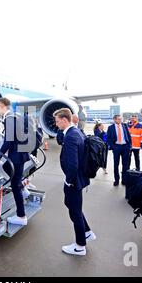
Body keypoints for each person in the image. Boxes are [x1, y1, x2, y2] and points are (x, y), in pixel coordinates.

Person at [54, 108, 96, 256]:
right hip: (79, 179)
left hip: (74, 181)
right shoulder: (75, 132)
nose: (56, 124)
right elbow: (60, 140)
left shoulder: (71, 136)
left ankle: (80, 246)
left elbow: (73, 164)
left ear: (65, 120)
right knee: (73, 206)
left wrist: (69, 182)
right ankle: (87, 232)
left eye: (58, 121)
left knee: (75, 212)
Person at [0, 98, 31, 226]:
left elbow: (8, 141)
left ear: (3, 106)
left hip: (16, 156)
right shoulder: (14, 116)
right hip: (21, 153)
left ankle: (21, 216)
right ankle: (23, 188)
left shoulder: (9, 119)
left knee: (14, 186)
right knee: (8, 169)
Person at [107, 115, 132, 187]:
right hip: (116, 147)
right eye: (118, 119)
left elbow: (128, 136)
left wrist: (129, 146)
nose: (120, 120)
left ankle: (124, 180)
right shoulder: (110, 127)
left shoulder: (124, 125)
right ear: (114, 119)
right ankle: (116, 180)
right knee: (116, 164)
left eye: (121, 119)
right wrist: (113, 147)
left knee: (125, 165)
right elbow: (108, 138)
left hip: (125, 147)